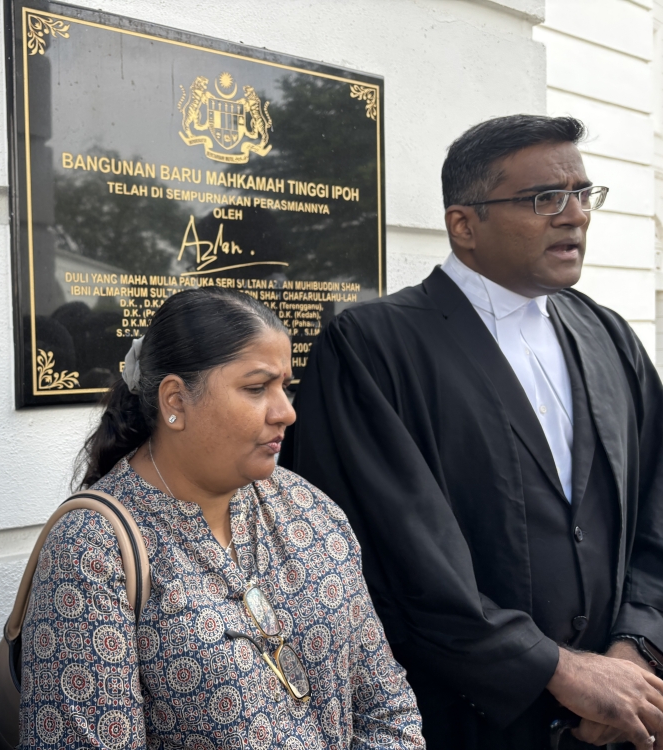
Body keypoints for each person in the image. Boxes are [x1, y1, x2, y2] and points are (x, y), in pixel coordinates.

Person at [283, 114, 663, 749]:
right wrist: (555, 668)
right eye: (545, 198)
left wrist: (634, 648)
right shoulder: (373, 346)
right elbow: (395, 550)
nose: (575, 216)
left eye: (582, 193)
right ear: (464, 225)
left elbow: (657, 501)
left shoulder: (608, 336)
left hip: (618, 718)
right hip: (467, 720)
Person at [17, 287, 424, 749]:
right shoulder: (92, 550)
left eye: (285, 385)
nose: (287, 411)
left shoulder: (310, 510)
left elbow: (388, 709)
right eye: (256, 388)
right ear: (175, 401)